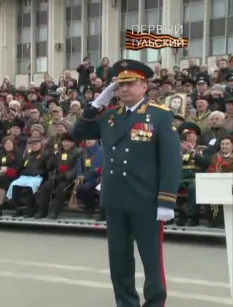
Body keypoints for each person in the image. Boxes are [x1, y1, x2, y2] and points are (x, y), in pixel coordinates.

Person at [71, 59, 182, 307]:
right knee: (119, 260)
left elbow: (171, 161)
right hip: (116, 199)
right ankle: (125, 302)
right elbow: (77, 134)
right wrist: (97, 104)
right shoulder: (109, 117)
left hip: (146, 200)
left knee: (152, 260)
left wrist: (166, 200)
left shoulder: (160, 116)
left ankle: (154, 303)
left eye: (130, 84)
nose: (124, 89)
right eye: (120, 85)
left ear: (144, 86)